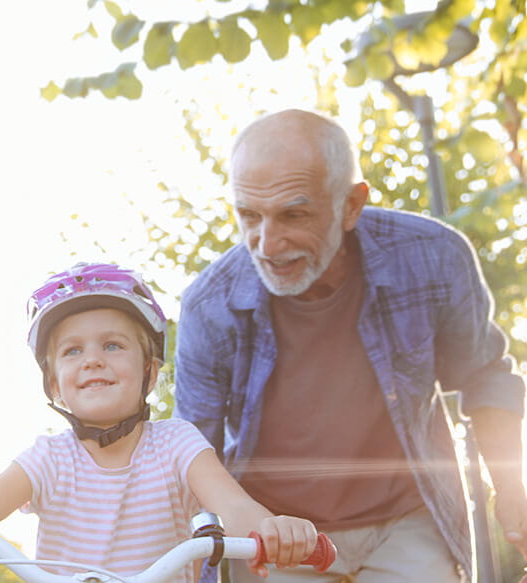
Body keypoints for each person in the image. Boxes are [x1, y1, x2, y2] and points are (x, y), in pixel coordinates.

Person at [174, 109, 527, 582]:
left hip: (407, 521)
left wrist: (510, 488)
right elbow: (193, 451)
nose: (267, 244)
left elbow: (485, 376)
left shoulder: (433, 257)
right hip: (276, 532)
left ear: (351, 205)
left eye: (293, 215)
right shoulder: (209, 304)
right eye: (249, 216)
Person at [0, 262, 321, 582]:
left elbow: (234, 506)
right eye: (72, 351)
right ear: (54, 385)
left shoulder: (176, 443)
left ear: (150, 370)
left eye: (112, 346)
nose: (92, 361)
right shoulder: (50, 459)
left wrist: (271, 529)